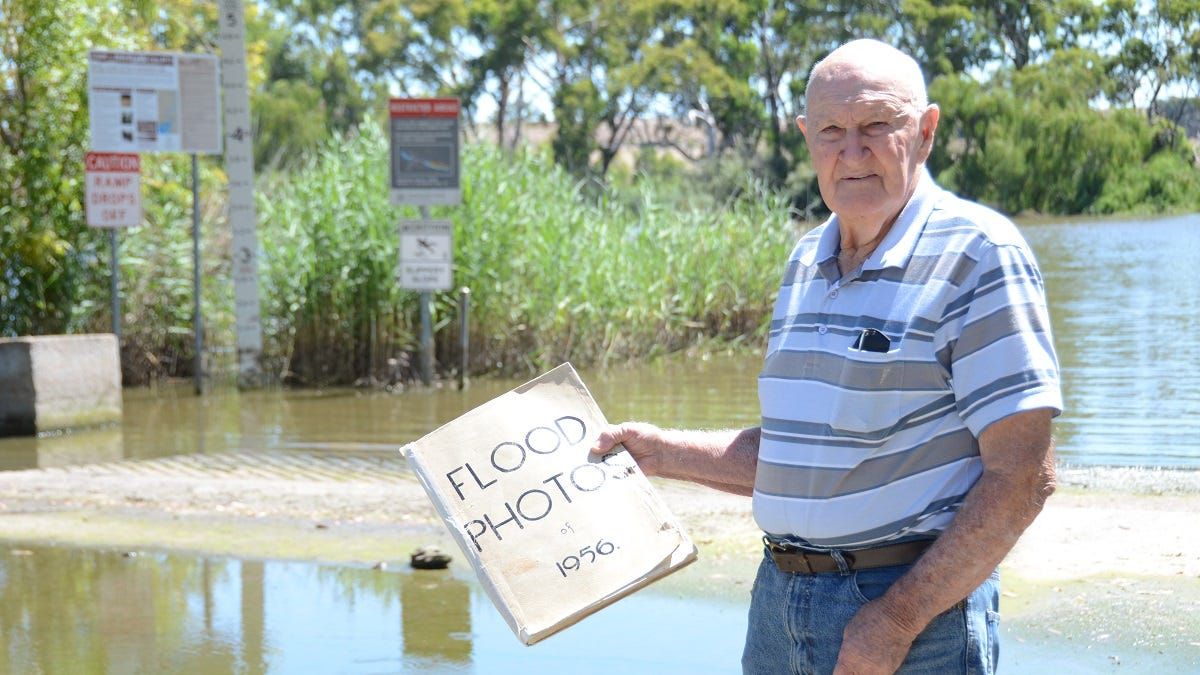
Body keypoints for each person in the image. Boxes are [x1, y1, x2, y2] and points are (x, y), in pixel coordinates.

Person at [591, 39, 1062, 675]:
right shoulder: (805, 260)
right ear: (805, 137)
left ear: (925, 132)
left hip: (912, 617)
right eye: (832, 131)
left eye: (876, 126)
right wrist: (662, 453)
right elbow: (805, 452)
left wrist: (894, 621)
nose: (852, 151)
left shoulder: (979, 254)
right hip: (778, 603)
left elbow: (1022, 477)